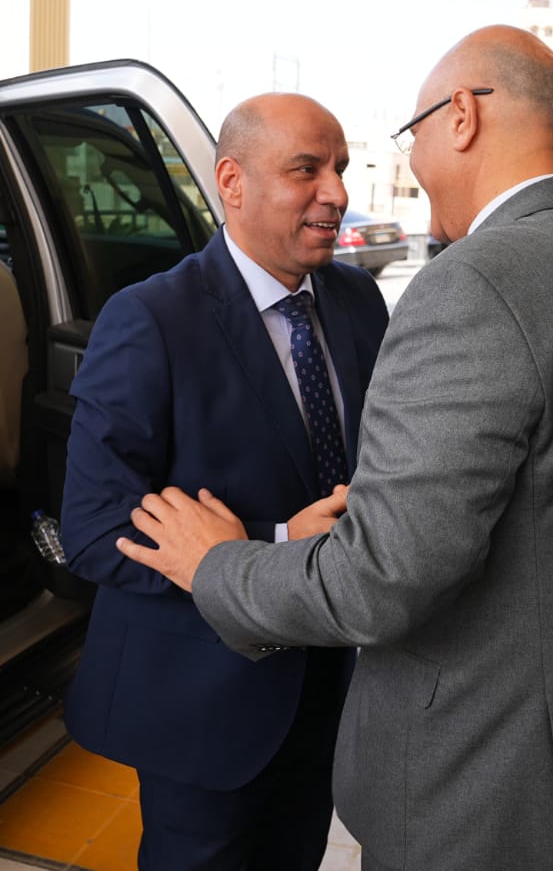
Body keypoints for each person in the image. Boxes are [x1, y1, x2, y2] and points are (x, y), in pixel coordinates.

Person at [118, 27, 553, 871]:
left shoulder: (475, 284)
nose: (375, 178)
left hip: (502, 785)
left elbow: (380, 580)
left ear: (463, 117)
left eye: (408, 138)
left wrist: (218, 565)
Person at [60, 93, 388, 871]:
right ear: (232, 182)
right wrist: (272, 545)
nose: (336, 193)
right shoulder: (151, 319)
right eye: (306, 170)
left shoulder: (358, 302)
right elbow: (93, 527)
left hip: (328, 681)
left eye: (341, 168)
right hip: (203, 700)